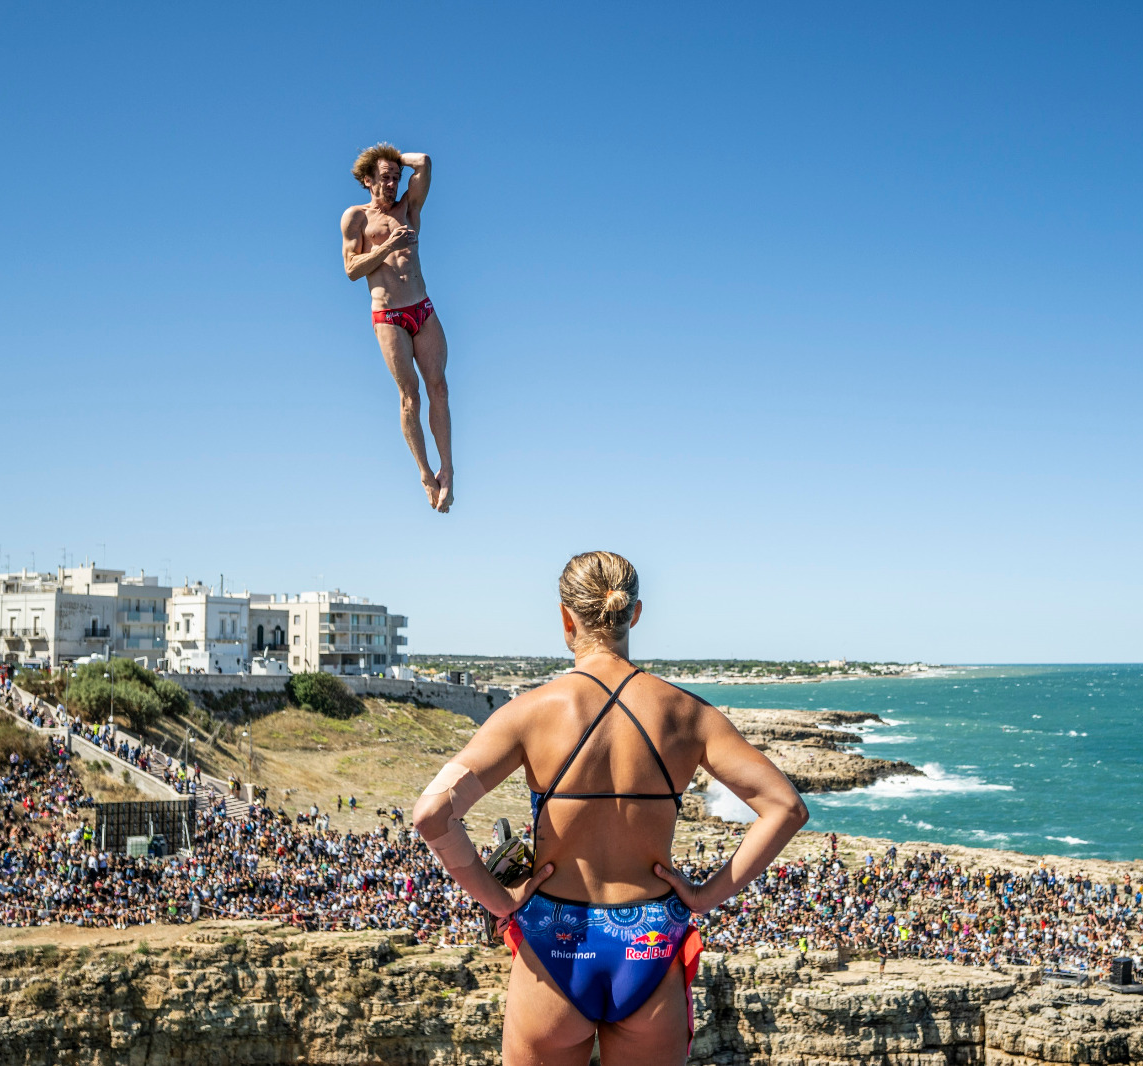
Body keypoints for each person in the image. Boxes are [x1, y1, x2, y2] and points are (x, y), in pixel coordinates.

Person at [413, 551, 807, 1066]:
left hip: (553, 940)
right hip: (649, 941)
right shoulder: (688, 714)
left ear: (565, 618)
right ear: (635, 613)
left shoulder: (529, 713)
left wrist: (500, 901)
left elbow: (432, 815)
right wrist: (707, 895)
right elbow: (786, 808)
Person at [341, 142, 453, 512]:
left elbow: (425, 162)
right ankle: (424, 473)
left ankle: (447, 471)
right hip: (388, 316)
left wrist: (392, 156)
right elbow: (352, 270)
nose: (392, 184)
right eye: (384, 178)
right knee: (411, 396)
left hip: (422, 308)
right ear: (368, 181)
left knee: (440, 388)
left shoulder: (409, 207)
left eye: (395, 178)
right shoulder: (356, 218)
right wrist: (386, 246)